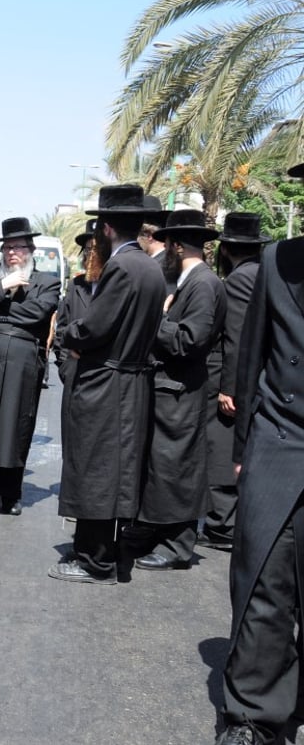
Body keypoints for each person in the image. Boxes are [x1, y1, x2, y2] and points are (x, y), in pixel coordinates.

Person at [215, 167, 304, 745]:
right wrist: (245, 449)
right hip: (280, 440)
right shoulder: (278, 260)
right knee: (264, 583)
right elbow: (253, 358)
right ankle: (254, 716)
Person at [49, 186, 165, 584]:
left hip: (105, 382)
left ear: (108, 227)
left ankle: (93, 559)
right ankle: (110, 553)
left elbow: (94, 325)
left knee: (95, 470)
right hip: (132, 381)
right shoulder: (150, 265)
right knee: (118, 471)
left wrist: (71, 338)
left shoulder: (121, 267)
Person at [128, 211, 226, 570]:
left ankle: (177, 545)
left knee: (178, 468)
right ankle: (155, 531)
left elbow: (190, 339)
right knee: (162, 466)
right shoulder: (189, 279)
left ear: (177, 245)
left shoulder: (203, 283)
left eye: (167, 243)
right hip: (171, 389)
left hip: (183, 392)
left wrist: (157, 319)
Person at [0, 217, 60, 515]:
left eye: (19, 247)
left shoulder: (47, 281)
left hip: (23, 359)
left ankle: (11, 493)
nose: (13, 253)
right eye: (8, 248)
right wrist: (3, 287)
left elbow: (37, 314)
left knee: (15, 424)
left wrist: (1, 310)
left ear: (31, 250)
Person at [201, 213, 268, 552]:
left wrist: (229, 387)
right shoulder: (261, 274)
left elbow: (238, 339)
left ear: (225, 249)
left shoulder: (241, 280)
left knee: (222, 449)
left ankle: (221, 524)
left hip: (235, 383)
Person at [51, 219, 99, 385]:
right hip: (74, 374)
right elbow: (62, 328)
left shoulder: (118, 284)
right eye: (88, 249)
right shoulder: (75, 285)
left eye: (97, 248)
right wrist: (65, 366)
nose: (91, 254)